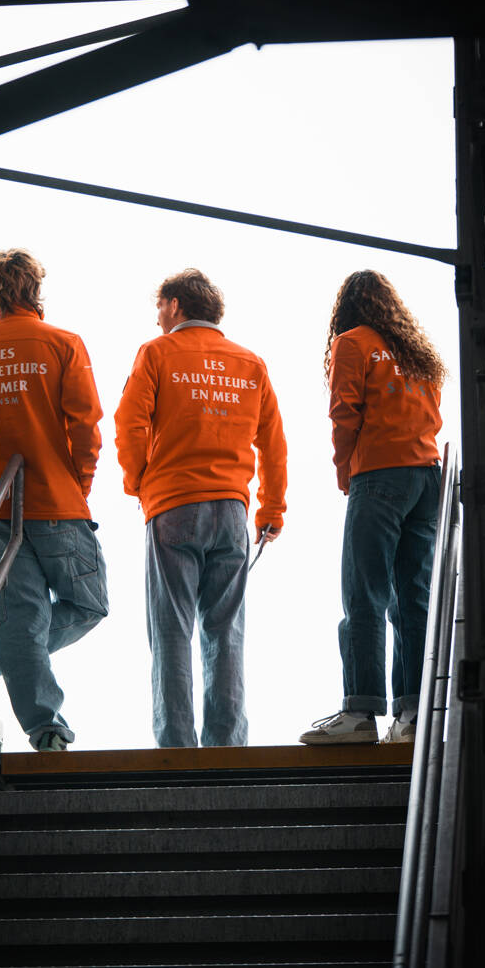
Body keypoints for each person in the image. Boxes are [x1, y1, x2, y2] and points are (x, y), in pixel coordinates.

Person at [114, 268, 287, 748]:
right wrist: (272, 508)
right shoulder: (250, 364)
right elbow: (273, 443)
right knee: (226, 630)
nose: (157, 318)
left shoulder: (157, 353)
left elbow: (129, 423)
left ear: (175, 304)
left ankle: (177, 748)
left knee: (171, 628)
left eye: (159, 307)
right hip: (232, 511)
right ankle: (226, 748)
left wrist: (139, 482)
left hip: (173, 505)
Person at [300, 270, 445, 746]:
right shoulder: (416, 351)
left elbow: (344, 412)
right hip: (427, 477)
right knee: (413, 601)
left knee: (364, 595)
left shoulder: (351, 343)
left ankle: (360, 713)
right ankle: (412, 717)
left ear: (347, 307)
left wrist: (344, 469)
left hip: (379, 475)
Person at [0, 248, 108, 751]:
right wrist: (80, 484)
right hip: (56, 500)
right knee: (90, 604)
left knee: (21, 620)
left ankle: (43, 724)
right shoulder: (62, 344)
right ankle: (9, 656)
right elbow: (86, 427)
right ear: (35, 288)